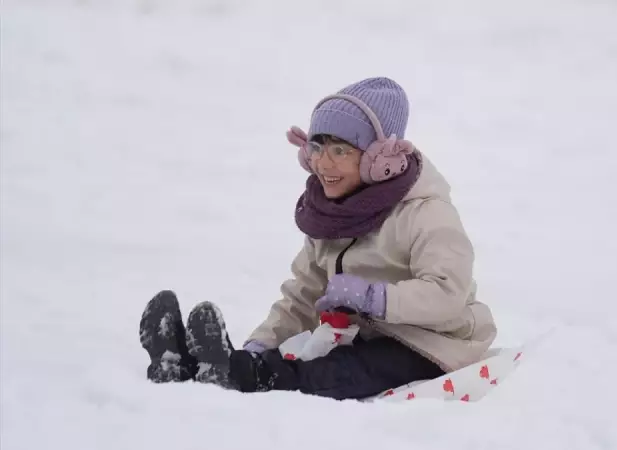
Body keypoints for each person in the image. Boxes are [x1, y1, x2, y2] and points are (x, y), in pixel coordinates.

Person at [138, 77, 497, 400]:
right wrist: (260, 344)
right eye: (316, 148)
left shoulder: (427, 213)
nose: (323, 164)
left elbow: (447, 294)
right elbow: (303, 295)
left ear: (379, 160)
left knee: (341, 370)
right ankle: (193, 365)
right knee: (312, 353)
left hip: (434, 344)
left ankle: (249, 377)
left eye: (340, 150)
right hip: (364, 335)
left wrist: (374, 298)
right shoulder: (333, 215)